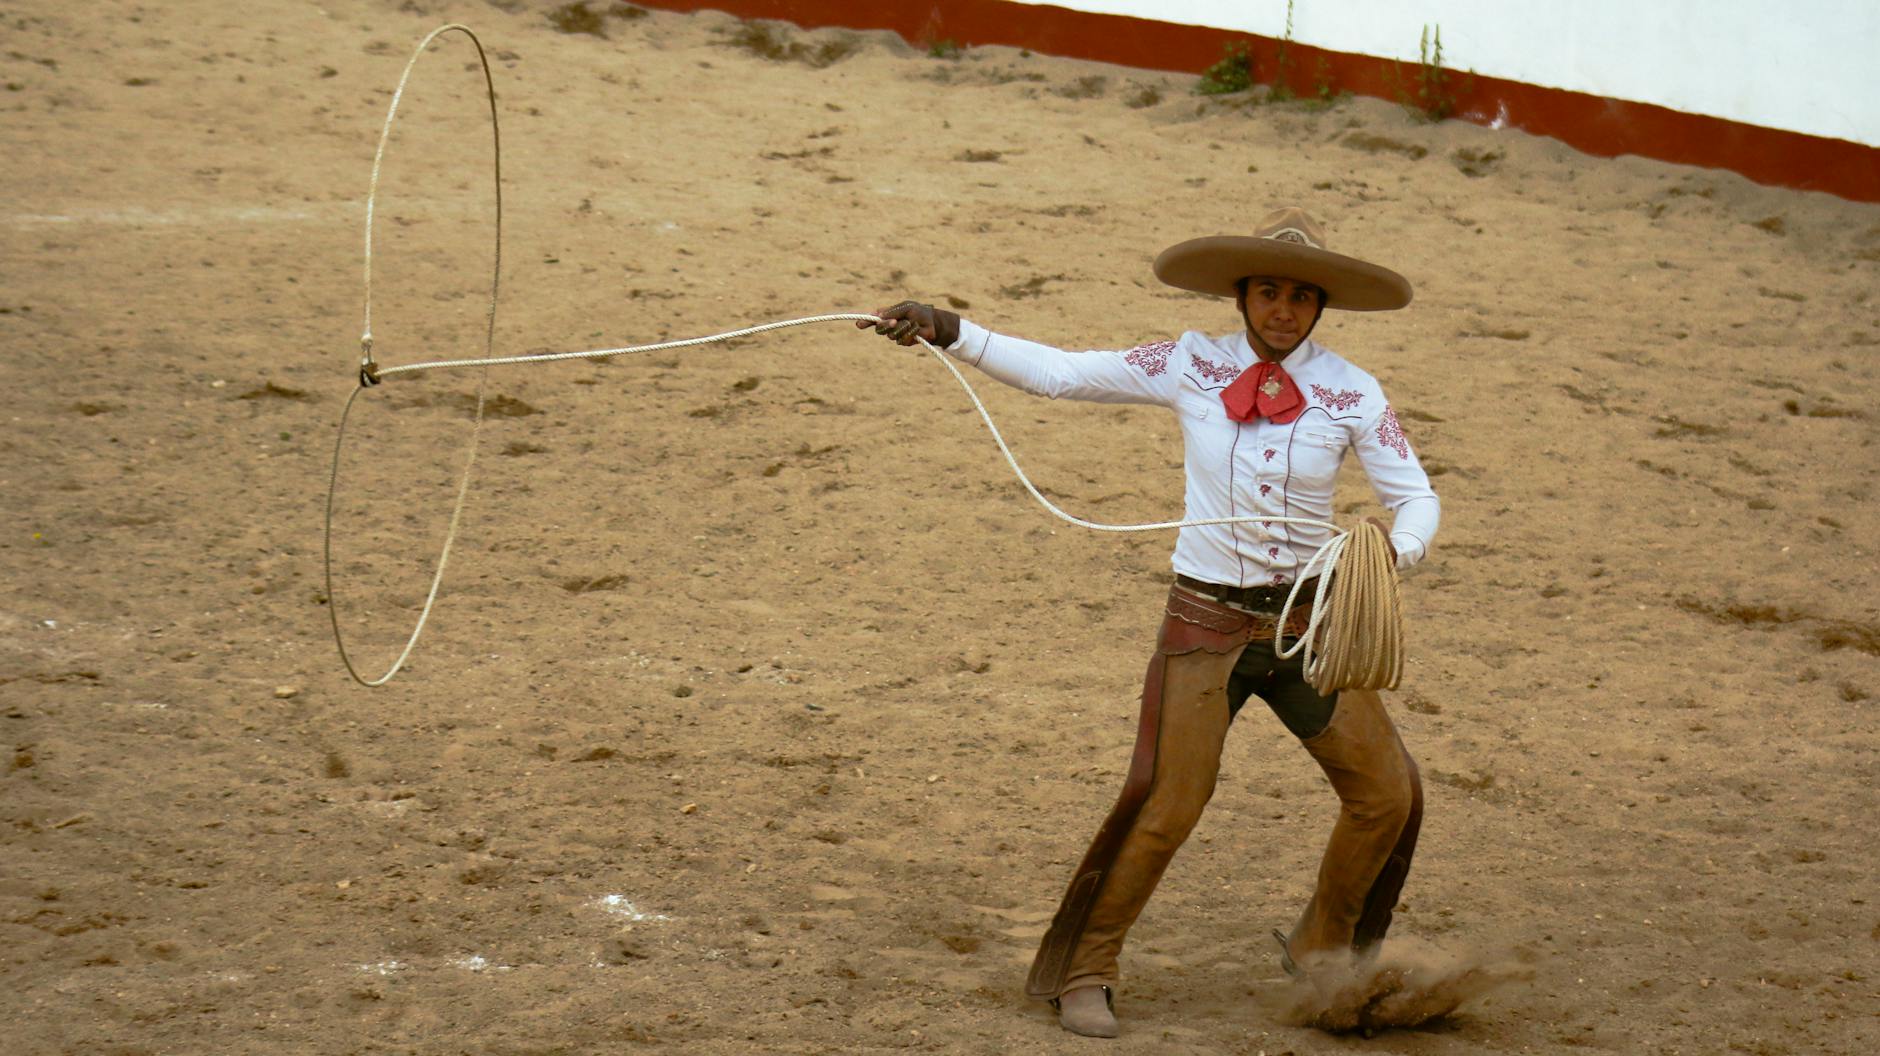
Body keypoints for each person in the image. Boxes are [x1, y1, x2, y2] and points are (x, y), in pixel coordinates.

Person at [862, 207, 1440, 1038]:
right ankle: (1087, 968)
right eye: (1269, 292)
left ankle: (1326, 946)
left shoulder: (1354, 391)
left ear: (1321, 307)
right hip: (1206, 621)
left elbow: (1415, 494)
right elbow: (1062, 373)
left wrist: (1394, 553)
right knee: (1170, 800)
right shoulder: (1187, 363)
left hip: (1309, 627)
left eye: (1301, 297)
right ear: (1242, 296)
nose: (1283, 309)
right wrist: (955, 332)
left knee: (1387, 792)